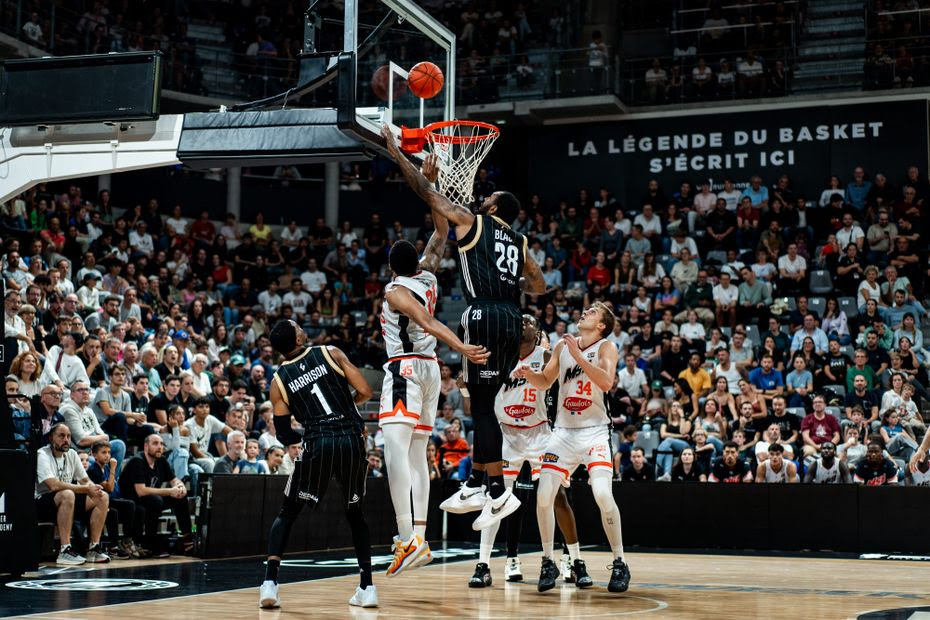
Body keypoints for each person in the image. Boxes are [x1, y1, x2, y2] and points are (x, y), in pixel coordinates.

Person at [379, 221, 489, 578]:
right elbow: (441, 234)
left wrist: (461, 348)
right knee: (417, 455)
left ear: (392, 266)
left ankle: (406, 537)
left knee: (393, 450)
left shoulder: (395, 290)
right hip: (429, 371)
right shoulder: (428, 277)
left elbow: (426, 322)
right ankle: (421, 539)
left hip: (405, 370)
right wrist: (434, 188)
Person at [259, 320, 377, 609]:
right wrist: (345, 405)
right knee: (355, 513)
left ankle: (269, 583)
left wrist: (309, 428)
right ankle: (367, 586)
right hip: (350, 438)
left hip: (318, 442)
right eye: (298, 326)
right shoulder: (331, 353)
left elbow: (284, 433)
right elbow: (365, 391)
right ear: (299, 337)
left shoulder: (278, 381)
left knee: (288, 512)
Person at [516, 302, 631, 593]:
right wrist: (528, 375)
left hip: (594, 432)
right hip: (564, 433)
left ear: (602, 325)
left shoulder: (607, 347)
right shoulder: (561, 346)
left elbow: (605, 382)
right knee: (544, 495)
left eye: (593, 312)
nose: (585, 312)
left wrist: (578, 355)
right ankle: (547, 561)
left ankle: (619, 562)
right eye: (587, 309)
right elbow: (545, 381)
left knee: (603, 494)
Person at [472, 315, 588, 588]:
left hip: (539, 433)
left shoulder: (547, 355)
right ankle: (483, 564)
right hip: (507, 435)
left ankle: (573, 561)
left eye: (529, 321)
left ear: (538, 333)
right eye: (520, 320)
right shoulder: (498, 357)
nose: (523, 322)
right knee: (495, 499)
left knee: (556, 495)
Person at [35, 423, 111, 565]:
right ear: (51, 438)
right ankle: (65, 550)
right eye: (61, 436)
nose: (66, 440)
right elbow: (53, 485)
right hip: (42, 503)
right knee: (67, 494)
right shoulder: (42, 454)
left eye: (69, 436)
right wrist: (85, 489)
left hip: (67, 502)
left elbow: (85, 480)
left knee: (102, 496)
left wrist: (94, 488)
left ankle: (93, 548)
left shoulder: (71, 454)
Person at [119, 433, 192, 557]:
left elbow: (173, 479)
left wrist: (180, 486)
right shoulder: (137, 461)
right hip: (132, 499)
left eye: (162, 444)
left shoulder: (161, 460)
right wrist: (169, 491)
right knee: (155, 500)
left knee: (180, 496)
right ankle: (150, 545)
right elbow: (141, 491)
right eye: (155, 443)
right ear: (146, 446)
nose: (160, 447)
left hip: (150, 498)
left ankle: (187, 539)